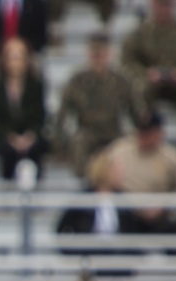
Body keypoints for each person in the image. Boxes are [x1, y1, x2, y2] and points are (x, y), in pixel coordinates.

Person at [54, 32, 135, 179]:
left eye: (101, 53)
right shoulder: (77, 81)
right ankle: (86, 184)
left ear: (109, 54)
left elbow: (136, 112)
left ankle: (121, 183)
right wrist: (59, 145)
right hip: (87, 131)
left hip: (113, 131)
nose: (98, 58)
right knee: (78, 142)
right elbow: (62, 114)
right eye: (94, 53)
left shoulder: (121, 81)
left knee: (127, 145)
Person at [120, 0, 176, 128]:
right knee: (139, 88)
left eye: (167, 4)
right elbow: (128, 62)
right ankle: (146, 133)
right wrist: (147, 73)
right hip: (151, 83)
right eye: (160, 4)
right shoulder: (140, 33)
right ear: (152, 5)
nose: (164, 9)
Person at [100, 110, 176, 234]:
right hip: (125, 213)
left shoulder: (172, 158)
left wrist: (165, 206)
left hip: (158, 216)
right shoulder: (119, 150)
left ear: (159, 133)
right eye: (141, 132)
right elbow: (101, 174)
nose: (143, 137)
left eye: (148, 133)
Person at [0, 36, 47, 181]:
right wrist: (11, 137)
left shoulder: (36, 86)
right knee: (8, 150)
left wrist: (29, 137)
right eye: (12, 57)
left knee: (36, 149)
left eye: (19, 57)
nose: (16, 62)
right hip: (5, 136)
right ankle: (7, 188)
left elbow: (39, 116)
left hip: (30, 135)